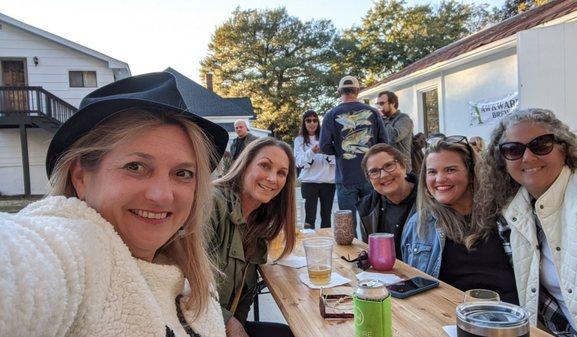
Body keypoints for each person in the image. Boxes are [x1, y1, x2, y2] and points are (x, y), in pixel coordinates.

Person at [0, 72, 229, 336]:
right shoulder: (79, 251)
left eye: (183, 173)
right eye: (136, 167)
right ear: (81, 178)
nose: (163, 195)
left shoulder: (189, 275)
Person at [480, 108, 577, 337]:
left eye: (541, 144)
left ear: (563, 148)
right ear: (502, 161)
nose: (527, 157)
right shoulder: (514, 213)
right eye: (513, 150)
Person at [401, 135, 518, 305]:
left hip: (509, 317)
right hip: (448, 317)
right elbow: (415, 287)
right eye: (432, 172)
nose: (439, 179)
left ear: (471, 173)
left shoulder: (505, 216)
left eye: (450, 170)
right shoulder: (420, 224)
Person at [209, 137, 296, 337]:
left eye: (282, 173)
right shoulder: (213, 204)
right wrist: (231, 324)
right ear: (245, 165)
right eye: (265, 166)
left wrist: (237, 323)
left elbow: (243, 297)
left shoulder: (258, 225)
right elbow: (183, 282)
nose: (273, 178)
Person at [320, 75, 388, 234]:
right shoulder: (373, 112)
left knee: (347, 226)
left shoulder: (330, 114)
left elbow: (324, 146)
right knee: (372, 221)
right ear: (358, 91)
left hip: (345, 178)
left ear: (339, 91)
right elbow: (384, 143)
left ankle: (351, 256)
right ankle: (374, 254)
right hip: (371, 175)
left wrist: (340, 151)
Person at [357, 144, 417, 257]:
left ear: (403, 166)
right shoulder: (367, 207)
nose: (383, 175)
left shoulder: (431, 199)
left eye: (389, 165)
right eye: (374, 171)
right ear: (369, 179)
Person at [294, 110, 336, 229]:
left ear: (318, 122)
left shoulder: (327, 138)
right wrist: (312, 151)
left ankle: (326, 243)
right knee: (309, 217)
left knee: (326, 216)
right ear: (304, 123)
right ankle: (310, 243)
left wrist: (325, 152)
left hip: (327, 181)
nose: (312, 123)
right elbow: (299, 162)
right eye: (308, 120)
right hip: (309, 182)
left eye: (315, 120)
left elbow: (335, 161)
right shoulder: (299, 140)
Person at [377, 91, 414, 172]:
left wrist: (382, 118)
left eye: (382, 103)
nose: (379, 107)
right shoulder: (383, 121)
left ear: (392, 103)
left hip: (402, 168)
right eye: (378, 104)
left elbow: (393, 137)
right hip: (386, 167)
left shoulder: (404, 119)